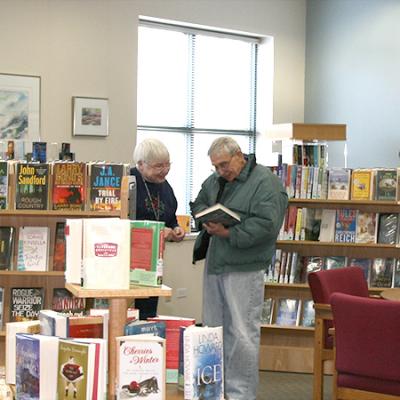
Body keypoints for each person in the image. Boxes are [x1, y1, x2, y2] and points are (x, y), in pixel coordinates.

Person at [190, 137, 288, 400]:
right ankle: (214, 390)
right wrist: (206, 219)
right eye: (216, 167)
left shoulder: (266, 184)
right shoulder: (216, 180)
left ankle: (241, 394)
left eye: (224, 164)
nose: (221, 171)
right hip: (216, 261)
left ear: (239, 156)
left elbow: (267, 226)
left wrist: (229, 231)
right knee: (214, 330)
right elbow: (198, 202)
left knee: (242, 332)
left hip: (245, 265)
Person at [131, 138, 185, 319]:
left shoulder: (164, 185)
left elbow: (169, 216)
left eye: (167, 164)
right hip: (131, 260)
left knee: (148, 313)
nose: (165, 170)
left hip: (154, 261)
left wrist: (176, 229)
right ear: (140, 164)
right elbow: (125, 222)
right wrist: (160, 231)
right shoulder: (129, 181)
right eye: (158, 166)